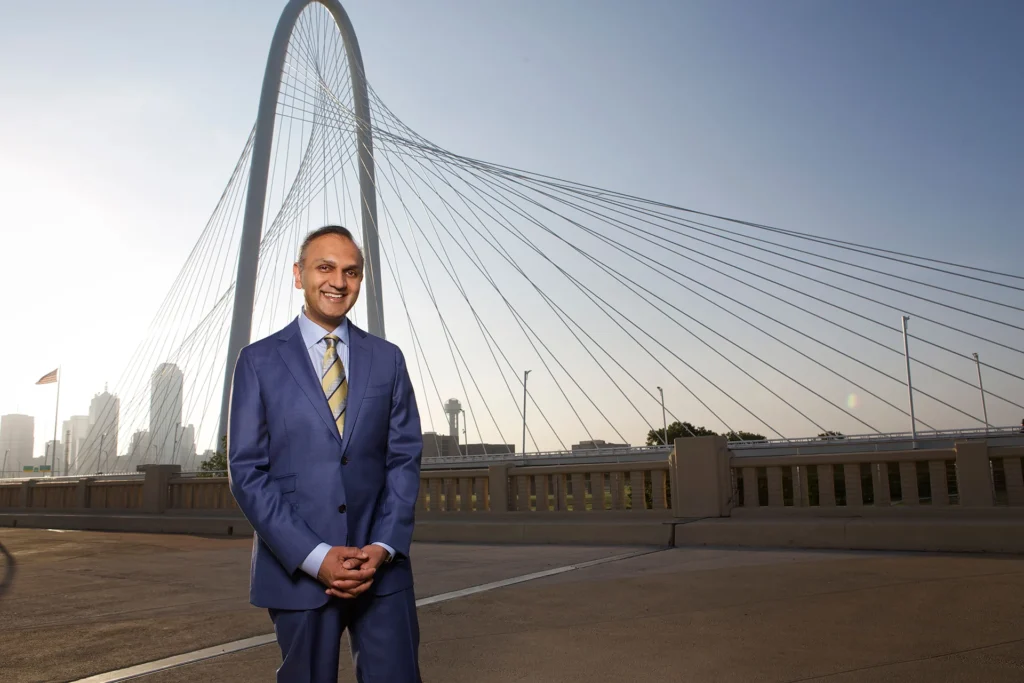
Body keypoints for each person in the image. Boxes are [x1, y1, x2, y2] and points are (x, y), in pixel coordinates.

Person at [227, 225, 423, 682]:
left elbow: (404, 459)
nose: (339, 281)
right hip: (298, 570)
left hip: (382, 571)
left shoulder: (388, 359)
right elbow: (247, 472)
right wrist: (314, 556)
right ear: (299, 275)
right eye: (325, 267)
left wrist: (383, 546)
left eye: (351, 271)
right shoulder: (257, 361)